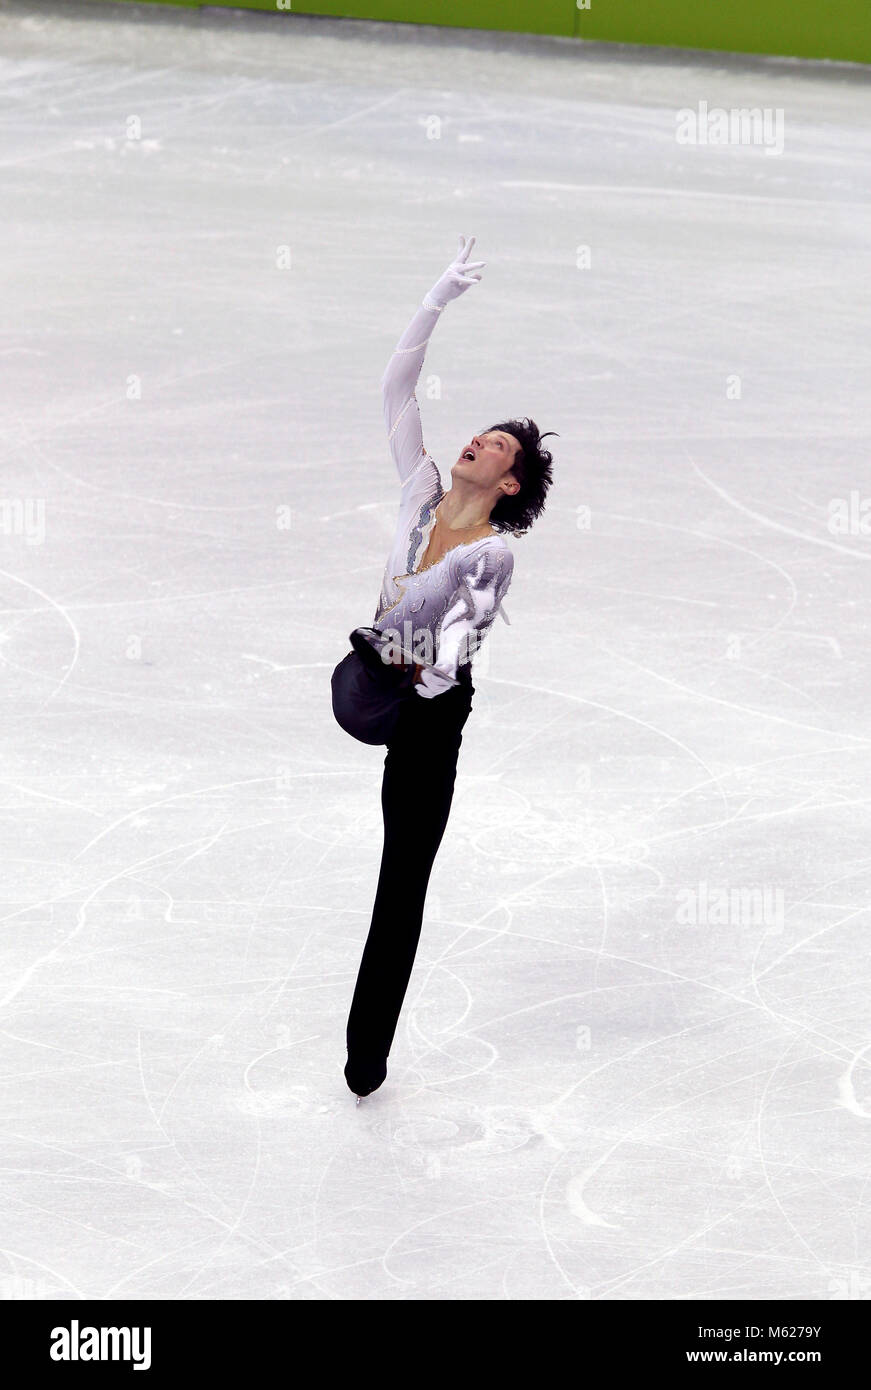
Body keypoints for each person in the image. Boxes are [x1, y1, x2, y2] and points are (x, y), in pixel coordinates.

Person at [344, 235, 555, 1101]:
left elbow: (444, 647)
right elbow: (395, 388)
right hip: (383, 668)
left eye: (497, 445)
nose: (478, 442)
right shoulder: (418, 492)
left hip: (430, 713)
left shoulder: (494, 555)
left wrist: (388, 659)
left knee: (402, 880)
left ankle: (367, 1054)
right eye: (479, 434)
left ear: (510, 482)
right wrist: (434, 301)